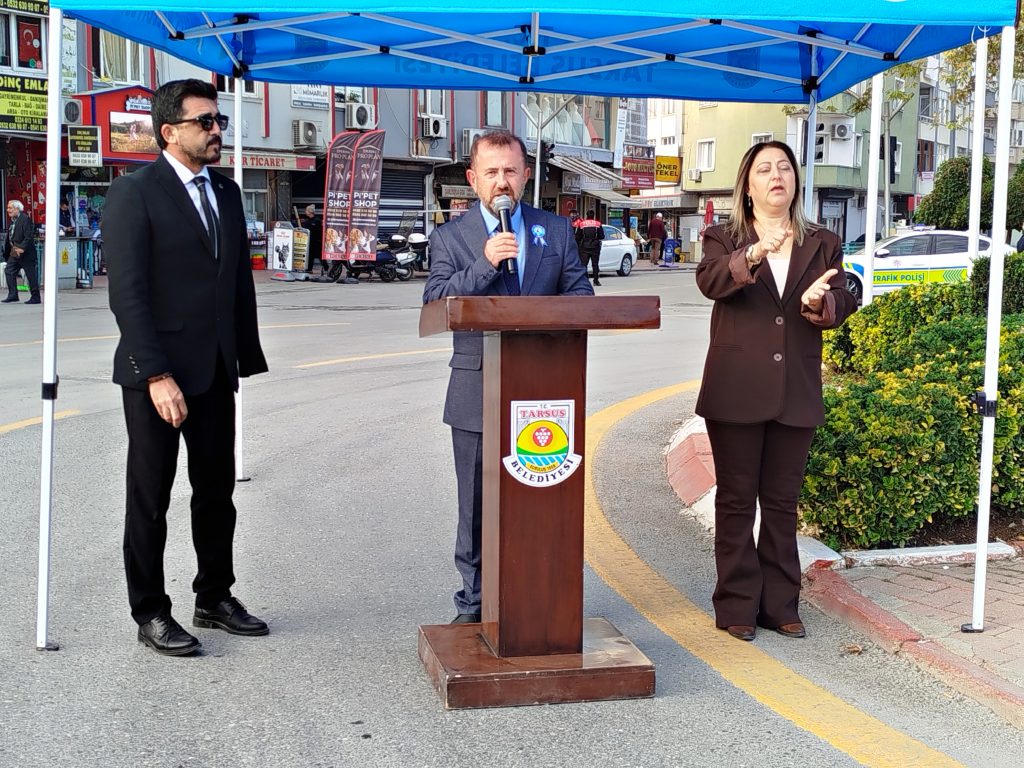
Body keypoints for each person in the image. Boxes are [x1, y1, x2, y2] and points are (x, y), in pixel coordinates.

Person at [103, 78, 269, 657]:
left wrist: (241, 355)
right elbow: (128, 294)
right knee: (150, 497)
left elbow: (235, 282)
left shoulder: (225, 191)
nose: (217, 130)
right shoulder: (135, 194)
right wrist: (155, 374)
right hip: (158, 375)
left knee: (216, 492)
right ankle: (150, 611)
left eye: (219, 120)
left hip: (215, 369)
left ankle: (214, 596)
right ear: (169, 131)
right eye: (206, 122)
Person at [423, 129, 593, 624]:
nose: (502, 181)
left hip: (544, 392)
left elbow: (581, 298)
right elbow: (435, 303)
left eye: (511, 171)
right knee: (476, 504)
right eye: (492, 172)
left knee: (541, 497)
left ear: (526, 175)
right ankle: (474, 602)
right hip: (476, 390)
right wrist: (485, 263)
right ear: (473, 178)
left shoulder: (554, 230)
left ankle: (537, 594)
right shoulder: (450, 237)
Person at [694, 140, 857, 643]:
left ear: (795, 181)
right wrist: (754, 253)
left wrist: (824, 303)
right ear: (748, 187)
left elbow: (846, 293)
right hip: (736, 389)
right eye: (764, 169)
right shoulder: (722, 237)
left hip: (796, 389)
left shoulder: (822, 241)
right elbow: (710, 281)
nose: (776, 175)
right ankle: (737, 605)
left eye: (784, 167)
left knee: (782, 504)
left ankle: (780, 605)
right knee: (737, 502)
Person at [2, 200, 41, 304]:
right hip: (15, 251)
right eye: (8, 208)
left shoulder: (25, 219)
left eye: (10, 208)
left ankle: (36, 297)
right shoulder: (13, 220)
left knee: (30, 275)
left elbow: (28, 236)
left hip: (26, 253)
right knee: (9, 270)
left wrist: (22, 248)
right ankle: (13, 295)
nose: (8, 210)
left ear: (17, 209)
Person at [574, 209, 604, 285]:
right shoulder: (597, 224)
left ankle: (584, 280)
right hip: (595, 247)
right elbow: (602, 236)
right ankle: (596, 281)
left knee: (584, 264)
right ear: (593, 216)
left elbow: (577, 237)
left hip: (584, 247)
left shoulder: (582, 224)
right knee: (595, 264)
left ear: (586, 215)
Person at [299, 204, 323, 274]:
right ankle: (309, 269)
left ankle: (326, 268)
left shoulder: (316, 221)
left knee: (318, 255)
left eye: (306, 210)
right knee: (311, 255)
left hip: (316, 241)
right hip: (310, 241)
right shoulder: (308, 221)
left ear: (309, 212)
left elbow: (319, 231)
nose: (305, 212)